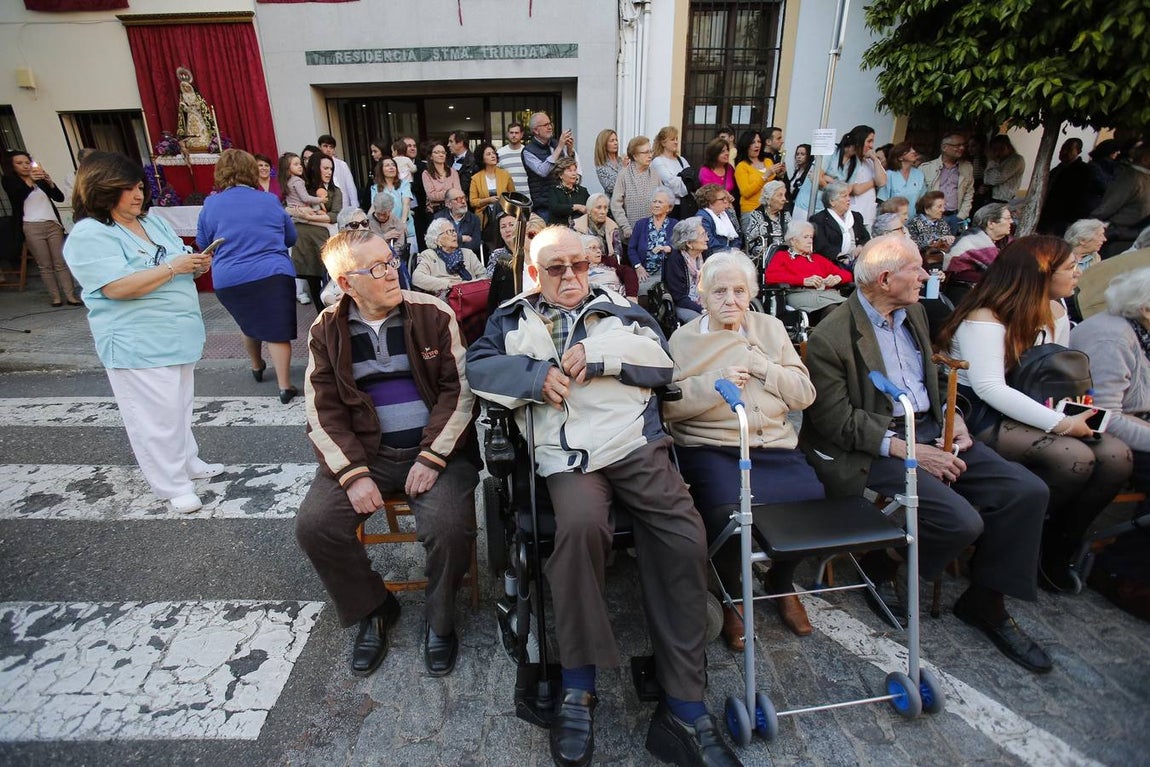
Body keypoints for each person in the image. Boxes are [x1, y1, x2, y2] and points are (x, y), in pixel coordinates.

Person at [465, 226, 743, 767]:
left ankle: (685, 707)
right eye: (556, 268)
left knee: (685, 535)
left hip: (634, 444)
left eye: (578, 264)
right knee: (580, 529)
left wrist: (598, 355)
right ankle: (577, 684)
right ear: (533, 272)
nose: (571, 276)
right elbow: (477, 367)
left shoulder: (619, 307)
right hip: (568, 456)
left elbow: (663, 362)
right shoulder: (510, 317)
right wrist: (534, 376)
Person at [799, 234, 1054, 673]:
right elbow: (837, 422)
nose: (927, 275)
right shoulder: (832, 336)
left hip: (932, 430)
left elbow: (931, 376)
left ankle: (986, 600)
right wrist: (912, 451)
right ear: (884, 279)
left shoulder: (914, 311)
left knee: (1027, 491)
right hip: (876, 445)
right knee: (960, 521)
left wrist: (956, 419)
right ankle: (884, 560)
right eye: (916, 268)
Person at [295, 228, 479, 678]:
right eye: (376, 268)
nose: (391, 271)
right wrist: (353, 473)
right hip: (367, 455)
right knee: (315, 526)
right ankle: (374, 608)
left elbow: (461, 390)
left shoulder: (432, 313)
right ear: (346, 284)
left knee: (451, 527)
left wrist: (432, 455)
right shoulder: (327, 328)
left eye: (390, 259)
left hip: (434, 450)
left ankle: (440, 620)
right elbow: (322, 408)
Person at [936, 235, 1133, 592]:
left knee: (1117, 456)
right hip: (979, 413)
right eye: (1071, 267)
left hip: (1030, 405)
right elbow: (990, 388)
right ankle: (1007, 545)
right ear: (1041, 275)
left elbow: (1051, 373)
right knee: (1072, 457)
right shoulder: (986, 316)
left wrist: (1074, 413)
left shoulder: (1057, 310)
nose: (1079, 274)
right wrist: (1062, 424)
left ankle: (1054, 549)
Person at [664, 250, 823, 645]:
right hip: (713, 446)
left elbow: (804, 395)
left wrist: (763, 366)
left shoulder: (769, 329)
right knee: (728, 513)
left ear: (751, 292)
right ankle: (732, 594)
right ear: (701, 295)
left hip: (773, 444)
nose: (730, 300)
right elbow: (668, 407)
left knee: (812, 500)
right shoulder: (683, 340)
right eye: (719, 291)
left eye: (739, 290)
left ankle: (781, 581)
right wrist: (716, 381)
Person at [63, 151, 220, 514]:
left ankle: (188, 462)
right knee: (155, 417)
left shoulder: (151, 221)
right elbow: (117, 286)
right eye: (127, 188)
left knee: (178, 408)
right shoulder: (90, 233)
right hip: (137, 341)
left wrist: (195, 264)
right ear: (102, 190)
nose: (137, 195)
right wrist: (173, 267)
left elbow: (177, 258)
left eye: (138, 186)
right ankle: (172, 484)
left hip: (176, 333)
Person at [196, 149, 300, 403]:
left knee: (248, 321)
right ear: (252, 171)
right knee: (277, 330)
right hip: (272, 271)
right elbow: (290, 237)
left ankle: (256, 365)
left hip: (231, 277)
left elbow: (203, 242)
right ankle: (284, 386)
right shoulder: (268, 200)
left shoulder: (211, 204)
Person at [1069, 267, 1150, 518]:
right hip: (1103, 434)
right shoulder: (1112, 339)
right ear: (1146, 309)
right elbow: (1103, 416)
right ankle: (1121, 554)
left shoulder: (1141, 330)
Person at [2, 150, 79, 306]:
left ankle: (71, 296)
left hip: (52, 224)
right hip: (31, 225)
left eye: (27, 162)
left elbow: (59, 197)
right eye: (19, 163)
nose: (25, 166)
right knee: (45, 264)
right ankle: (56, 297)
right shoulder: (9, 181)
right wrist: (30, 180)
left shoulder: (39, 180)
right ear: (12, 166)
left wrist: (50, 182)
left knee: (60, 262)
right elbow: (18, 197)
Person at [764, 220, 853, 324]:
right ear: (793, 241)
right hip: (799, 294)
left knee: (850, 309)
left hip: (826, 294)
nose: (810, 241)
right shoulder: (782, 256)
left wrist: (837, 278)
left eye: (811, 237)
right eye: (805, 237)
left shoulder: (818, 259)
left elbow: (848, 275)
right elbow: (771, 277)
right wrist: (803, 281)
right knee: (834, 310)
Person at [292, 152, 343, 309]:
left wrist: (306, 218)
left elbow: (334, 216)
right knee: (313, 283)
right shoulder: (302, 189)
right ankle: (321, 319)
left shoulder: (336, 191)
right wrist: (301, 215)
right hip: (304, 242)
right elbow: (291, 209)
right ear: (315, 168)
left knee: (332, 279)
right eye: (325, 168)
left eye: (331, 169)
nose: (329, 172)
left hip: (325, 241)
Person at [944, 203, 1013, 301]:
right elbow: (1003, 271)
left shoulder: (1003, 242)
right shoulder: (974, 240)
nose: (1011, 221)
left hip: (986, 291)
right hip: (965, 294)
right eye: (1007, 218)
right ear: (991, 223)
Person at [1091, 144, 1150, 257]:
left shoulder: (1137, 177)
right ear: (1145, 158)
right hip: (1117, 240)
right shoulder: (1131, 176)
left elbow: (1107, 207)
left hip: (1126, 241)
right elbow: (1107, 207)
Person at [573, 193, 633, 299]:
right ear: (589, 210)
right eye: (599, 207)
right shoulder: (576, 226)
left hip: (607, 266)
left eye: (605, 208)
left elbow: (617, 257)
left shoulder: (613, 227)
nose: (603, 212)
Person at [827, 125, 887, 228]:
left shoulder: (870, 161)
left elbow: (882, 182)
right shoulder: (852, 161)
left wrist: (875, 159)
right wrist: (874, 182)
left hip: (868, 213)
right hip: (852, 211)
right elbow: (855, 189)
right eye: (869, 141)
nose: (872, 146)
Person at [412, 217, 485, 297]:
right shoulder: (429, 255)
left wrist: (469, 286)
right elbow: (417, 278)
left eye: (454, 231)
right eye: (449, 232)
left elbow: (484, 276)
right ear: (437, 240)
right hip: (446, 299)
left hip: (471, 295)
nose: (454, 234)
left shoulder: (468, 253)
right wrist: (448, 284)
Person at [523, 111, 575, 221]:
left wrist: (569, 150)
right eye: (545, 125)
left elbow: (567, 167)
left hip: (562, 200)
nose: (550, 127)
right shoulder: (528, 151)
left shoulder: (554, 144)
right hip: (544, 206)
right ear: (536, 130)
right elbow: (543, 171)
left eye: (550, 124)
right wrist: (560, 146)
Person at [626, 187, 677, 296]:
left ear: (669, 207)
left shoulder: (675, 225)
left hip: (666, 273)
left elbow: (681, 247)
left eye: (660, 202)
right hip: (644, 272)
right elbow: (631, 248)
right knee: (642, 292)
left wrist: (669, 248)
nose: (656, 205)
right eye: (654, 201)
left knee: (666, 294)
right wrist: (638, 267)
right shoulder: (641, 224)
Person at [919, 133, 974, 234]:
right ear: (944, 147)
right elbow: (920, 194)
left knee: (951, 246)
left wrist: (961, 216)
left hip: (955, 217)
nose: (961, 148)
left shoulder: (967, 168)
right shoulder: (926, 168)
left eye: (963, 145)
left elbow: (969, 193)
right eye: (957, 145)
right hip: (932, 217)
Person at [1038, 138, 1093, 235]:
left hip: (1063, 218)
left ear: (1078, 151)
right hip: (1047, 214)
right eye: (1063, 148)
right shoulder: (1058, 169)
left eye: (1069, 149)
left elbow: (1079, 197)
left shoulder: (1083, 170)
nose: (1064, 152)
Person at [809, 181, 869, 269]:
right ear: (832, 202)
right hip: (832, 263)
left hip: (858, 260)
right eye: (844, 196)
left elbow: (865, 237)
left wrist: (860, 247)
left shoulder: (856, 216)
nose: (848, 199)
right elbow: (821, 246)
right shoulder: (819, 219)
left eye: (848, 195)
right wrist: (842, 257)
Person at [610, 135, 658, 243]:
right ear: (635, 156)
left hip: (652, 235)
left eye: (651, 151)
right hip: (630, 235)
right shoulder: (623, 175)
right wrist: (625, 227)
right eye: (646, 152)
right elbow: (616, 205)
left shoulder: (655, 174)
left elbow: (662, 201)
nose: (650, 155)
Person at [469, 142, 516, 253]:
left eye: (493, 153)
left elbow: (513, 196)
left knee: (498, 207)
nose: (493, 156)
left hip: (503, 214)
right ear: (482, 158)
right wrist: (488, 200)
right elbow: (472, 202)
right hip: (485, 218)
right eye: (488, 154)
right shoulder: (476, 178)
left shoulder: (505, 175)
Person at [664, 217, 707, 322]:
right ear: (688, 243)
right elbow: (679, 297)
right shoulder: (675, 259)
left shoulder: (703, 255)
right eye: (702, 235)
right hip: (683, 305)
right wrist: (703, 310)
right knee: (701, 321)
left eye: (705, 234)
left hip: (703, 301)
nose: (707, 239)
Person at [371, 156, 416, 249]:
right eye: (387, 165)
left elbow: (406, 203)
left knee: (409, 258)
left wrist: (403, 223)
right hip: (385, 230)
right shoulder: (375, 187)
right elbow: (373, 208)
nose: (392, 167)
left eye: (393, 165)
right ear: (381, 170)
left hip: (405, 227)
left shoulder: (404, 183)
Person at [741, 179, 790, 264]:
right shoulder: (756, 215)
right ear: (768, 198)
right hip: (764, 261)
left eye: (784, 195)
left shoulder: (786, 214)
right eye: (780, 195)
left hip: (785, 260)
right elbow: (751, 243)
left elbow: (791, 237)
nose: (784, 199)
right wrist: (769, 253)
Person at [906, 190, 956, 267]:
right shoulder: (914, 223)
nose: (943, 210)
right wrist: (936, 241)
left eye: (943, 206)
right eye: (939, 206)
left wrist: (949, 240)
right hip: (921, 263)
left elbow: (946, 246)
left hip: (940, 260)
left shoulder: (942, 222)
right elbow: (914, 245)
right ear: (927, 209)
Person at [649, 126, 691, 214]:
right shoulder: (658, 161)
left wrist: (680, 180)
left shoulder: (682, 160)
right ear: (663, 143)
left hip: (685, 206)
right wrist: (685, 182)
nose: (676, 142)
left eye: (676, 139)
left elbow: (692, 180)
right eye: (672, 139)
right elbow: (671, 184)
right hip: (668, 208)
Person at [695, 183, 742, 257]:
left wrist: (735, 249)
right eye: (722, 199)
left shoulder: (726, 213)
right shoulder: (702, 217)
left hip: (729, 255)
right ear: (710, 202)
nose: (726, 201)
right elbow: (709, 242)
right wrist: (730, 251)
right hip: (713, 257)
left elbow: (736, 237)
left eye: (726, 198)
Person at [733, 130, 768, 223]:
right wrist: (764, 177)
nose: (757, 145)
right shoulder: (742, 166)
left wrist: (780, 175)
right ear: (746, 145)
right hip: (751, 210)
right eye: (753, 142)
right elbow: (746, 192)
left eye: (759, 141)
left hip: (770, 210)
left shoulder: (768, 161)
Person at [432, 187, 482, 252]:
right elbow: (434, 241)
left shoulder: (474, 219)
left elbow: (475, 244)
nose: (463, 201)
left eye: (464, 198)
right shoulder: (438, 218)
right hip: (444, 257)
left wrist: (452, 246)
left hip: (466, 257)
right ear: (449, 204)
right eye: (458, 199)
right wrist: (461, 238)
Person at [545, 157, 589, 228]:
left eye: (574, 170)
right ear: (560, 175)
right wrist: (576, 207)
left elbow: (591, 207)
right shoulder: (554, 190)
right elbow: (555, 208)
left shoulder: (583, 191)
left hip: (579, 230)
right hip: (559, 230)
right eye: (570, 171)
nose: (574, 174)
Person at [981, 134, 1025, 205]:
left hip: (1004, 200)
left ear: (1009, 147)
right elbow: (986, 179)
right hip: (992, 197)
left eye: (1002, 148)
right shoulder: (998, 160)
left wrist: (992, 160)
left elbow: (998, 178)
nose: (998, 152)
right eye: (995, 150)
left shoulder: (1016, 159)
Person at [319, 134, 359, 211]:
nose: (328, 149)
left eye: (331, 147)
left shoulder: (342, 165)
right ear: (320, 147)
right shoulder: (317, 164)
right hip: (326, 207)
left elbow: (350, 186)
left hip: (343, 205)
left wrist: (355, 207)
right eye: (325, 146)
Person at [421, 143, 461, 219]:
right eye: (437, 152)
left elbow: (458, 192)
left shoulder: (453, 172)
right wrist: (450, 193)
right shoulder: (426, 173)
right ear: (431, 156)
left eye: (443, 152)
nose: (441, 155)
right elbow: (432, 196)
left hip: (453, 210)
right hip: (435, 211)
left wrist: (442, 193)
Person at [882, 143, 926, 213]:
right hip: (892, 219)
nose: (914, 151)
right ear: (900, 157)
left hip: (912, 220)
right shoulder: (889, 175)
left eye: (913, 149)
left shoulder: (919, 174)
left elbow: (923, 199)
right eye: (909, 150)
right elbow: (882, 202)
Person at [497, 122, 531, 201]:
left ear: (521, 134)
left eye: (516, 133)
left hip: (527, 197)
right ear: (507, 134)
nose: (514, 135)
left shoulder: (528, 152)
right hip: (508, 198)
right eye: (511, 132)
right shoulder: (500, 153)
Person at [593, 128, 627, 200]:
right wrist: (623, 168)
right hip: (613, 205)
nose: (616, 143)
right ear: (604, 144)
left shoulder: (621, 160)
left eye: (616, 140)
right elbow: (610, 187)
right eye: (612, 141)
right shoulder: (601, 166)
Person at [786, 143, 814, 218]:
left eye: (802, 154)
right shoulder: (797, 171)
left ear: (808, 156)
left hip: (801, 208)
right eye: (797, 154)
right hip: (791, 205)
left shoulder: (810, 173)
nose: (799, 157)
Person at [448, 130, 479, 196]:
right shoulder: (447, 160)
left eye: (451, 142)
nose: (448, 145)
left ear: (460, 143)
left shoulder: (474, 162)